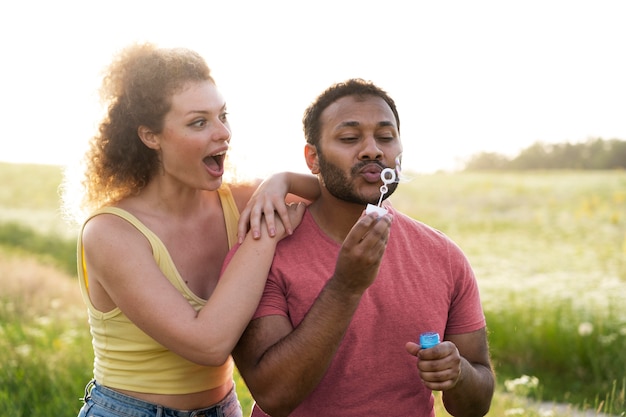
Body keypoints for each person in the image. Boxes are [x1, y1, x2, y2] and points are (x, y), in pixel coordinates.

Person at [69, 43, 319, 417]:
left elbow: (347, 198)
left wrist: (284, 180)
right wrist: (264, 235)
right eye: (198, 122)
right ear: (151, 136)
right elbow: (208, 345)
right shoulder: (111, 233)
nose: (223, 133)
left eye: (223, 116)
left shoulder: (243, 200)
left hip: (224, 407)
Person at [231, 79, 495, 417]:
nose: (373, 150)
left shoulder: (443, 255)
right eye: (349, 138)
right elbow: (274, 396)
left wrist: (458, 374)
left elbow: (477, 402)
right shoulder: (266, 252)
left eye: (386, 137)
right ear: (313, 158)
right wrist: (346, 286)